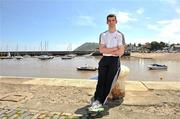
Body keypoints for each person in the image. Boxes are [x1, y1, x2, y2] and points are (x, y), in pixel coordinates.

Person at [88, 14, 125, 112]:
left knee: (109, 82)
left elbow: (121, 52)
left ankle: (101, 102)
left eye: (113, 20)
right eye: (109, 20)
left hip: (115, 61)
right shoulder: (103, 35)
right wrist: (114, 49)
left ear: (116, 22)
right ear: (107, 22)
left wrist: (108, 50)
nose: (111, 22)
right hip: (104, 60)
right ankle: (97, 100)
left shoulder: (120, 35)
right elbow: (101, 50)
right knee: (101, 81)